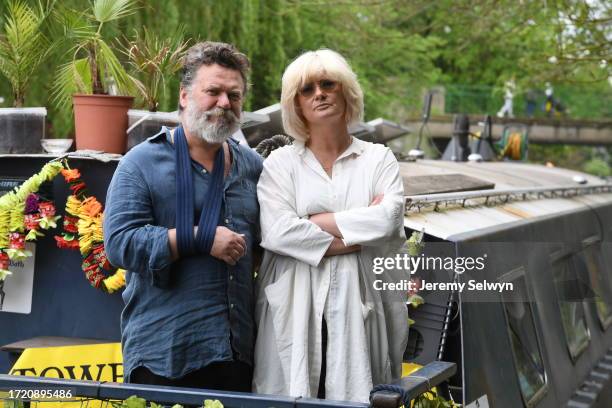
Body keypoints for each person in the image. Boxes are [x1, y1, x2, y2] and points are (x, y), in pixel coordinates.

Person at [103, 41, 263, 391]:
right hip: (165, 354)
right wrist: (201, 238)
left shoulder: (252, 167)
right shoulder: (141, 163)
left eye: (234, 96)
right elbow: (118, 244)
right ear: (185, 96)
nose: (224, 103)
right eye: (213, 92)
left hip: (236, 353)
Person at [252, 49, 408, 403]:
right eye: (306, 89)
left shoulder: (378, 159)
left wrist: (316, 222)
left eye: (327, 84)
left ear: (346, 92)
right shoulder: (281, 164)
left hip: (360, 306)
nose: (318, 93)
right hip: (295, 308)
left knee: (357, 389)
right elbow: (278, 231)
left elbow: (387, 219)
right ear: (296, 104)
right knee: (292, 391)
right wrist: (350, 238)